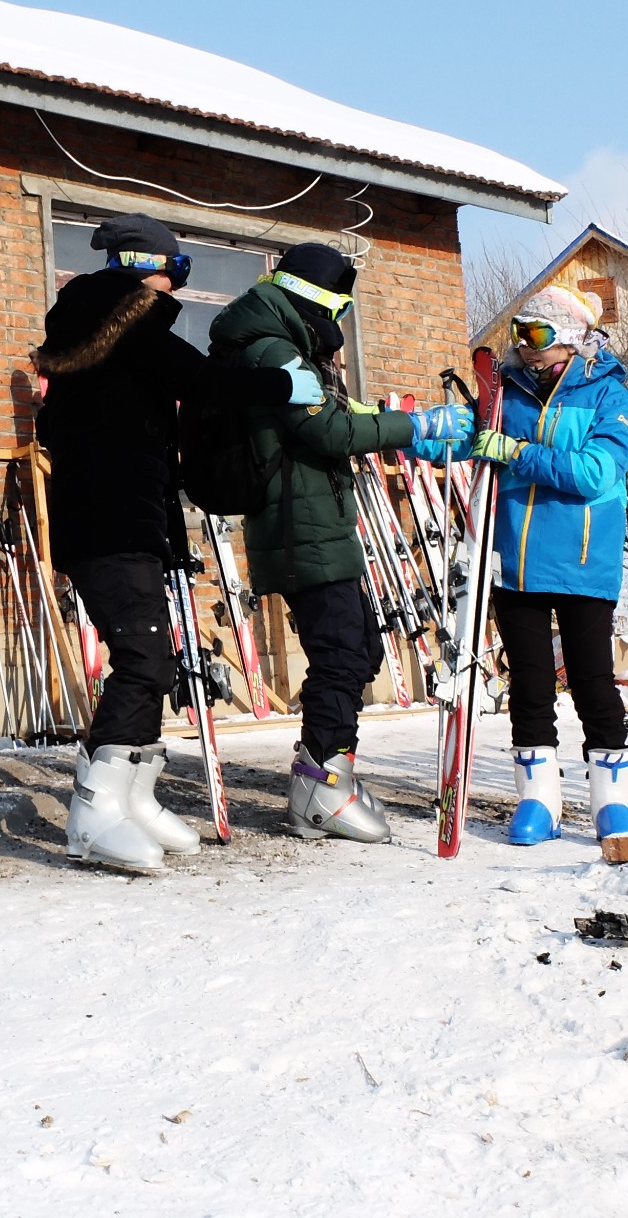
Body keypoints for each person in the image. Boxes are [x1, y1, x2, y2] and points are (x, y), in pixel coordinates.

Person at [36, 214, 323, 872]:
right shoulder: (126, 319)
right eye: (180, 268)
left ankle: (130, 796)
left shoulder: (95, 323)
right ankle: (94, 811)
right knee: (142, 662)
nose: (180, 284)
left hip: (122, 522)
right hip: (108, 524)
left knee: (153, 664)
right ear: (145, 266)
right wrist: (283, 385)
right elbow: (202, 383)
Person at [208, 243, 473, 842]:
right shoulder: (272, 348)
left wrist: (405, 429)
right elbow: (329, 429)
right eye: (340, 304)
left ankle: (326, 767)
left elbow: (340, 412)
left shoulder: (287, 343)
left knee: (357, 649)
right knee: (341, 652)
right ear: (318, 298)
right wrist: (418, 426)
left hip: (316, 520)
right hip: (299, 526)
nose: (340, 323)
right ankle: (320, 781)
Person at [469, 283, 628, 843]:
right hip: (517, 558)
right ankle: (538, 801)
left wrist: (517, 455)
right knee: (529, 683)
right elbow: (470, 435)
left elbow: (594, 473)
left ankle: (611, 801)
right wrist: (412, 431)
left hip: (584, 561)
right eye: (519, 333)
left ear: (570, 338)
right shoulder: (507, 394)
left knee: (593, 678)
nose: (525, 346)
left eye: (537, 334)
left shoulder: (610, 399)